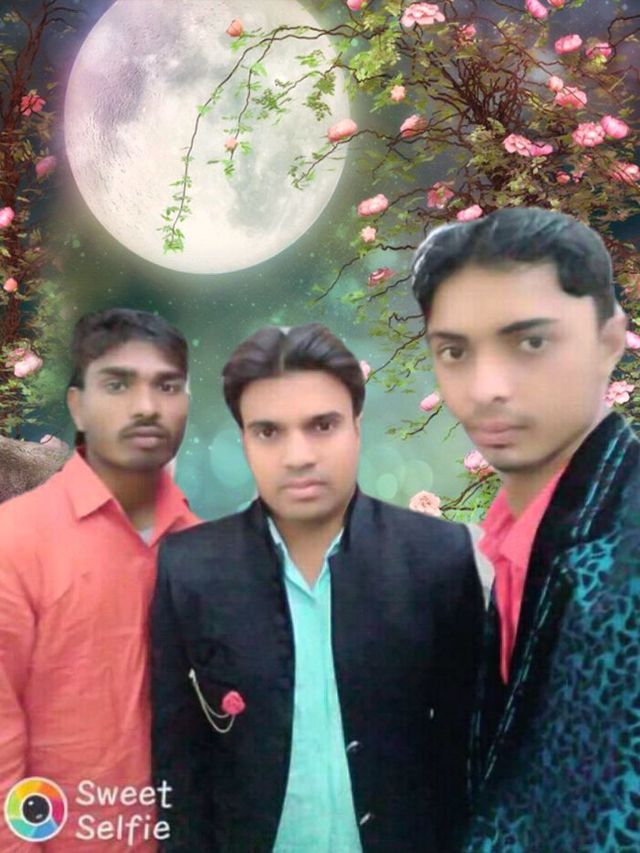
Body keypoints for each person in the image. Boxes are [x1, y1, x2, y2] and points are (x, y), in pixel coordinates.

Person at [151, 323, 484, 852]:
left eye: (322, 425)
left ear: (357, 425)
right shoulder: (189, 568)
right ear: (243, 440)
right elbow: (175, 762)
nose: (298, 455)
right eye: (269, 432)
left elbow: (470, 749)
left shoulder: (439, 556)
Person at [411, 207, 639, 851]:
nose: (486, 387)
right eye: (455, 351)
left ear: (610, 340)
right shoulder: (505, 538)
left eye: (530, 342)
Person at [0, 308, 200, 852]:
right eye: (118, 384)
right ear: (77, 405)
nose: (146, 406)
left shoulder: (208, 549)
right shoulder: (16, 541)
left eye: (167, 386)